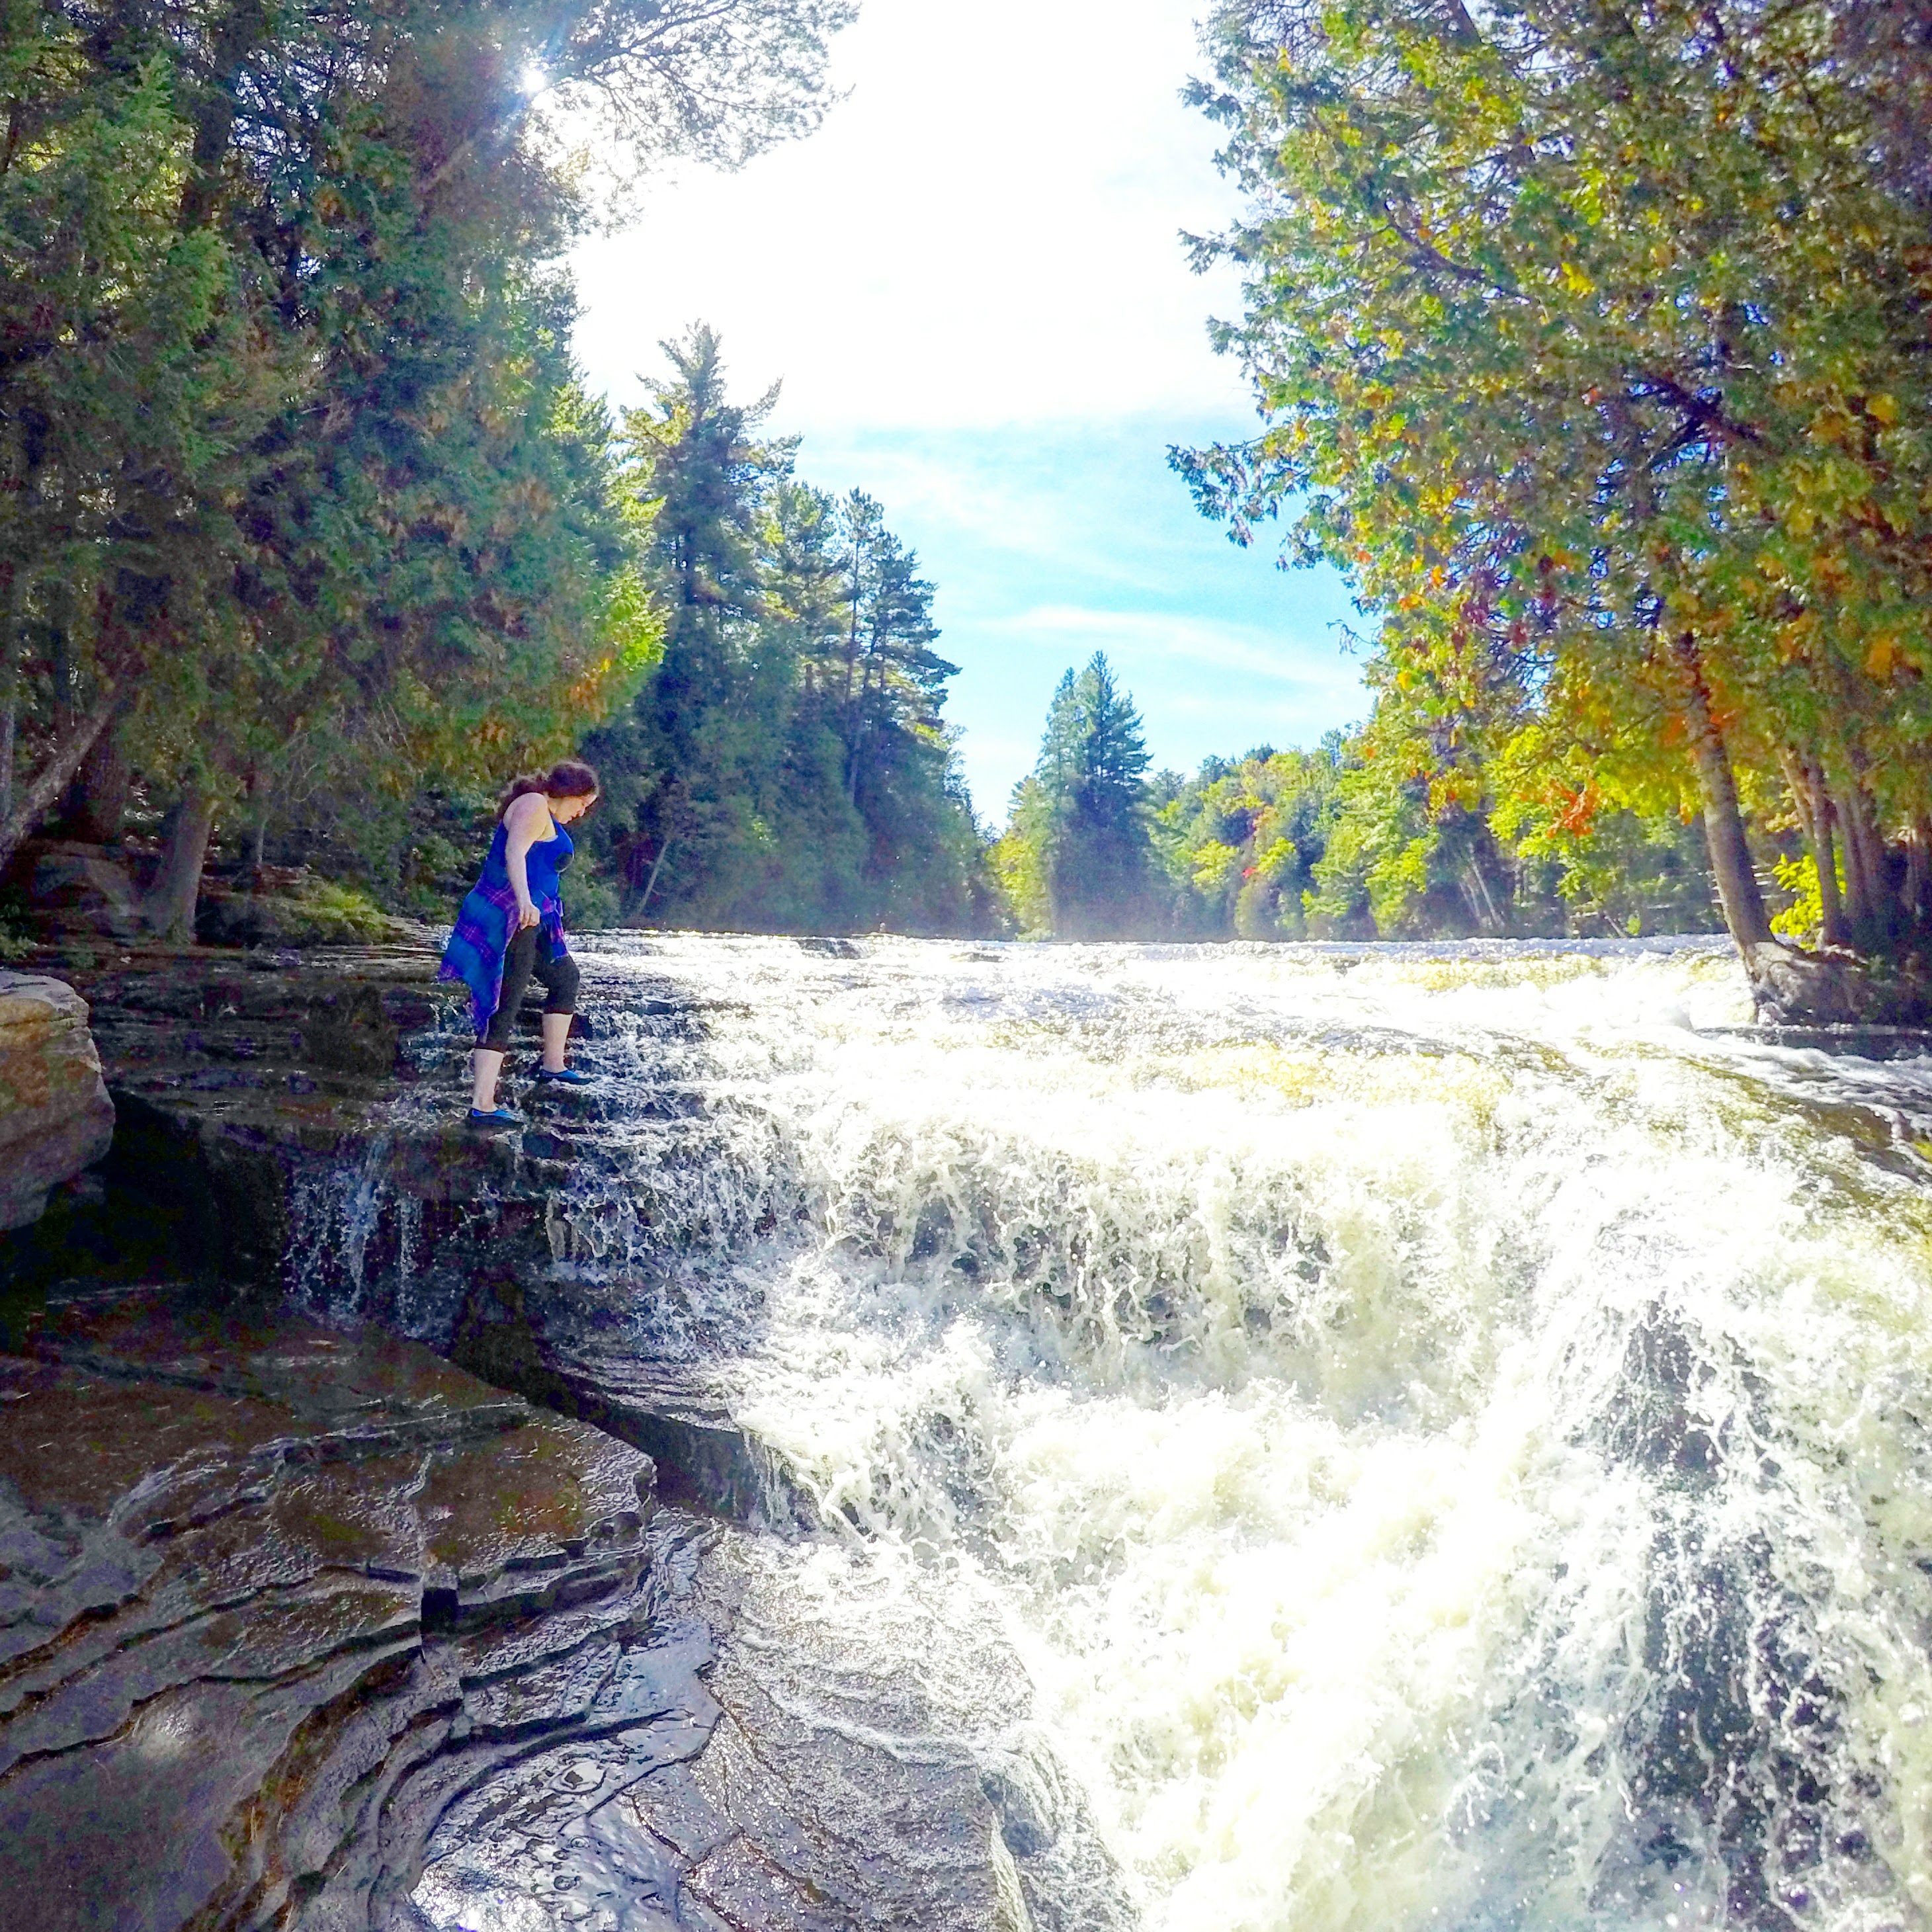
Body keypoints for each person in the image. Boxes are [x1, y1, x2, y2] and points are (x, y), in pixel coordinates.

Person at [439, 759, 600, 1125]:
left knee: (565, 978)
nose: (581, 812)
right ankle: (482, 1103)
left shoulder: (545, 813)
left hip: (537, 918)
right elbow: (514, 853)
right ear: (571, 793)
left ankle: (553, 1066)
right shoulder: (533, 804)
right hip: (515, 915)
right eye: (582, 804)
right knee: (505, 1001)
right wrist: (525, 900)